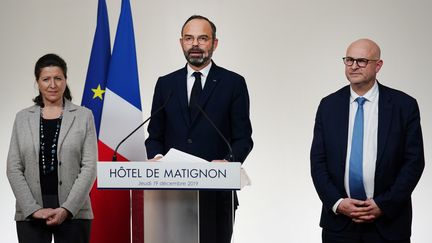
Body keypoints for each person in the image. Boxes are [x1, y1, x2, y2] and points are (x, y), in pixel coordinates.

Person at [145, 15, 253, 243]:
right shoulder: (166, 84)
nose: (195, 44)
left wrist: (228, 161)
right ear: (181, 42)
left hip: (217, 195)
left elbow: (243, 138)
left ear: (214, 43)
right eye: (189, 38)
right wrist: (157, 157)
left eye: (202, 38)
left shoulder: (233, 83)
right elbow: (154, 136)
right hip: (170, 194)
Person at [310, 39, 424, 243]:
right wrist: (337, 202)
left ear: (378, 65)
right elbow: (318, 162)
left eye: (361, 61)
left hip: (388, 224)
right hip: (339, 224)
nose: (354, 66)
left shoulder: (404, 106)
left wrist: (384, 204)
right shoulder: (328, 106)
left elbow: (414, 163)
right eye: (349, 60)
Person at [6, 54, 97, 243]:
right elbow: (13, 167)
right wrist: (33, 209)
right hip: (31, 211)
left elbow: (89, 167)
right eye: (46, 79)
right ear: (37, 82)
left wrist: (68, 209)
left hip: (75, 211)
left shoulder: (84, 116)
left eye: (58, 78)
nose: (53, 85)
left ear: (65, 80)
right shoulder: (22, 118)